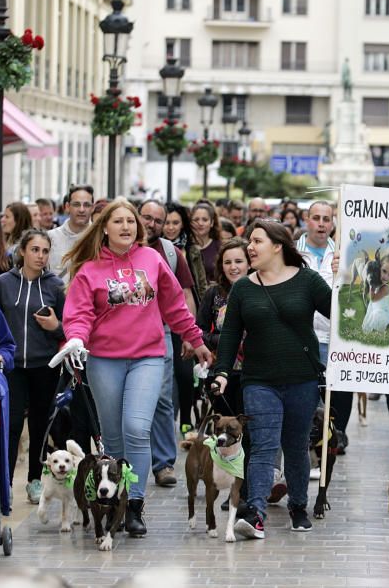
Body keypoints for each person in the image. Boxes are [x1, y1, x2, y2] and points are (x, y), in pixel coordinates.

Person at [58, 198, 211, 537]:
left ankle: (136, 505)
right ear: (105, 229)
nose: (126, 227)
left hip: (147, 356)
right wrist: (77, 339)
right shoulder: (90, 269)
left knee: (137, 428)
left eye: (131, 221)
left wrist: (195, 339)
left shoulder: (152, 259)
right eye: (118, 222)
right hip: (103, 359)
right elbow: (79, 314)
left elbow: (174, 305)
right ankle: (114, 498)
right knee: (112, 437)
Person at [211, 220, 331, 539]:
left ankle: (298, 507)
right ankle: (256, 513)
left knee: (295, 446)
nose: (250, 247)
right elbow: (230, 335)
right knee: (263, 445)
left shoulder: (308, 281)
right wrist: (222, 371)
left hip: (302, 379)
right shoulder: (243, 288)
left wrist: (346, 279)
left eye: (257, 241)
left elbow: (340, 312)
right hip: (258, 380)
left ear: (277, 246)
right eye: (250, 241)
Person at [0, 229, 66, 504]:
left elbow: (68, 329)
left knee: (39, 426)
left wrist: (55, 326)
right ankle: (4, 483)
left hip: (44, 367)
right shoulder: (3, 283)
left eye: (45, 251)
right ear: (22, 251)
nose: (40, 256)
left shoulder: (56, 285)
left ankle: (35, 479)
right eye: (35, 250)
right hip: (11, 367)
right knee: (9, 426)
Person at [138, 199, 198, 485]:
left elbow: (185, 294)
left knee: (162, 396)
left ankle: (163, 463)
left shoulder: (172, 253)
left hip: (159, 330)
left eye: (157, 220)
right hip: (118, 333)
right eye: (146, 217)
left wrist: (190, 333)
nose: (151, 224)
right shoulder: (117, 246)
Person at [296, 202, 347, 445]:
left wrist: (345, 273)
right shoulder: (292, 252)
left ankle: (324, 447)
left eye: (326, 219)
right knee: (306, 398)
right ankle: (308, 446)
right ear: (307, 220)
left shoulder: (342, 252)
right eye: (316, 218)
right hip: (300, 338)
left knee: (329, 399)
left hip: (330, 337)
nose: (321, 224)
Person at [196, 238, 250, 416]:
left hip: (252, 373)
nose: (233, 267)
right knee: (225, 426)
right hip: (220, 371)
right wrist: (221, 340)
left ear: (249, 264)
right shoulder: (214, 293)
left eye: (238, 261)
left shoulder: (261, 290)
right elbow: (199, 330)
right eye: (227, 262)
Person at [48, 185, 94, 279]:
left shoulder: (101, 238)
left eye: (86, 205)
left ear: (92, 208)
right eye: (76, 204)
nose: (81, 209)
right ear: (67, 207)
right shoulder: (50, 237)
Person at [362, 249, 389, 332]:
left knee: (377, 315)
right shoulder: (379, 282)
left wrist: (372, 285)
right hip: (375, 308)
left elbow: (373, 299)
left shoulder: (385, 288)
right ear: (379, 268)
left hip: (383, 312)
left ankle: (380, 330)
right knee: (372, 316)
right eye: (384, 271)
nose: (386, 276)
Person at [190, 203, 221, 285]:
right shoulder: (184, 248)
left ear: (212, 223)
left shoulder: (220, 247)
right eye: (196, 219)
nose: (200, 223)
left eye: (205, 219)